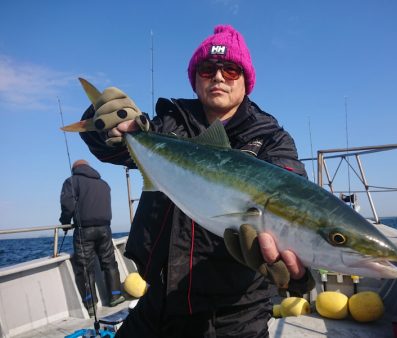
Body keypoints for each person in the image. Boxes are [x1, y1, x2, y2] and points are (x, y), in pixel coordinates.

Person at [78, 25, 315, 337]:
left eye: (230, 70)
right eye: (207, 69)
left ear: (246, 81)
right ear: (195, 78)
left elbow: (293, 194)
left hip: (234, 315)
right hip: (157, 301)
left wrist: (298, 270)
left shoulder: (271, 139)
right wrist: (104, 122)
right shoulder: (168, 124)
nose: (218, 77)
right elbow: (117, 150)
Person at [59, 159, 125, 316]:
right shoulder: (104, 184)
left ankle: (91, 304)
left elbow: (67, 205)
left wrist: (65, 222)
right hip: (105, 229)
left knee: (84, 266)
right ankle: (115, 296)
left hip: (84, 230)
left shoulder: (71, 181)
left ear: (75, 169)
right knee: (109, 262)